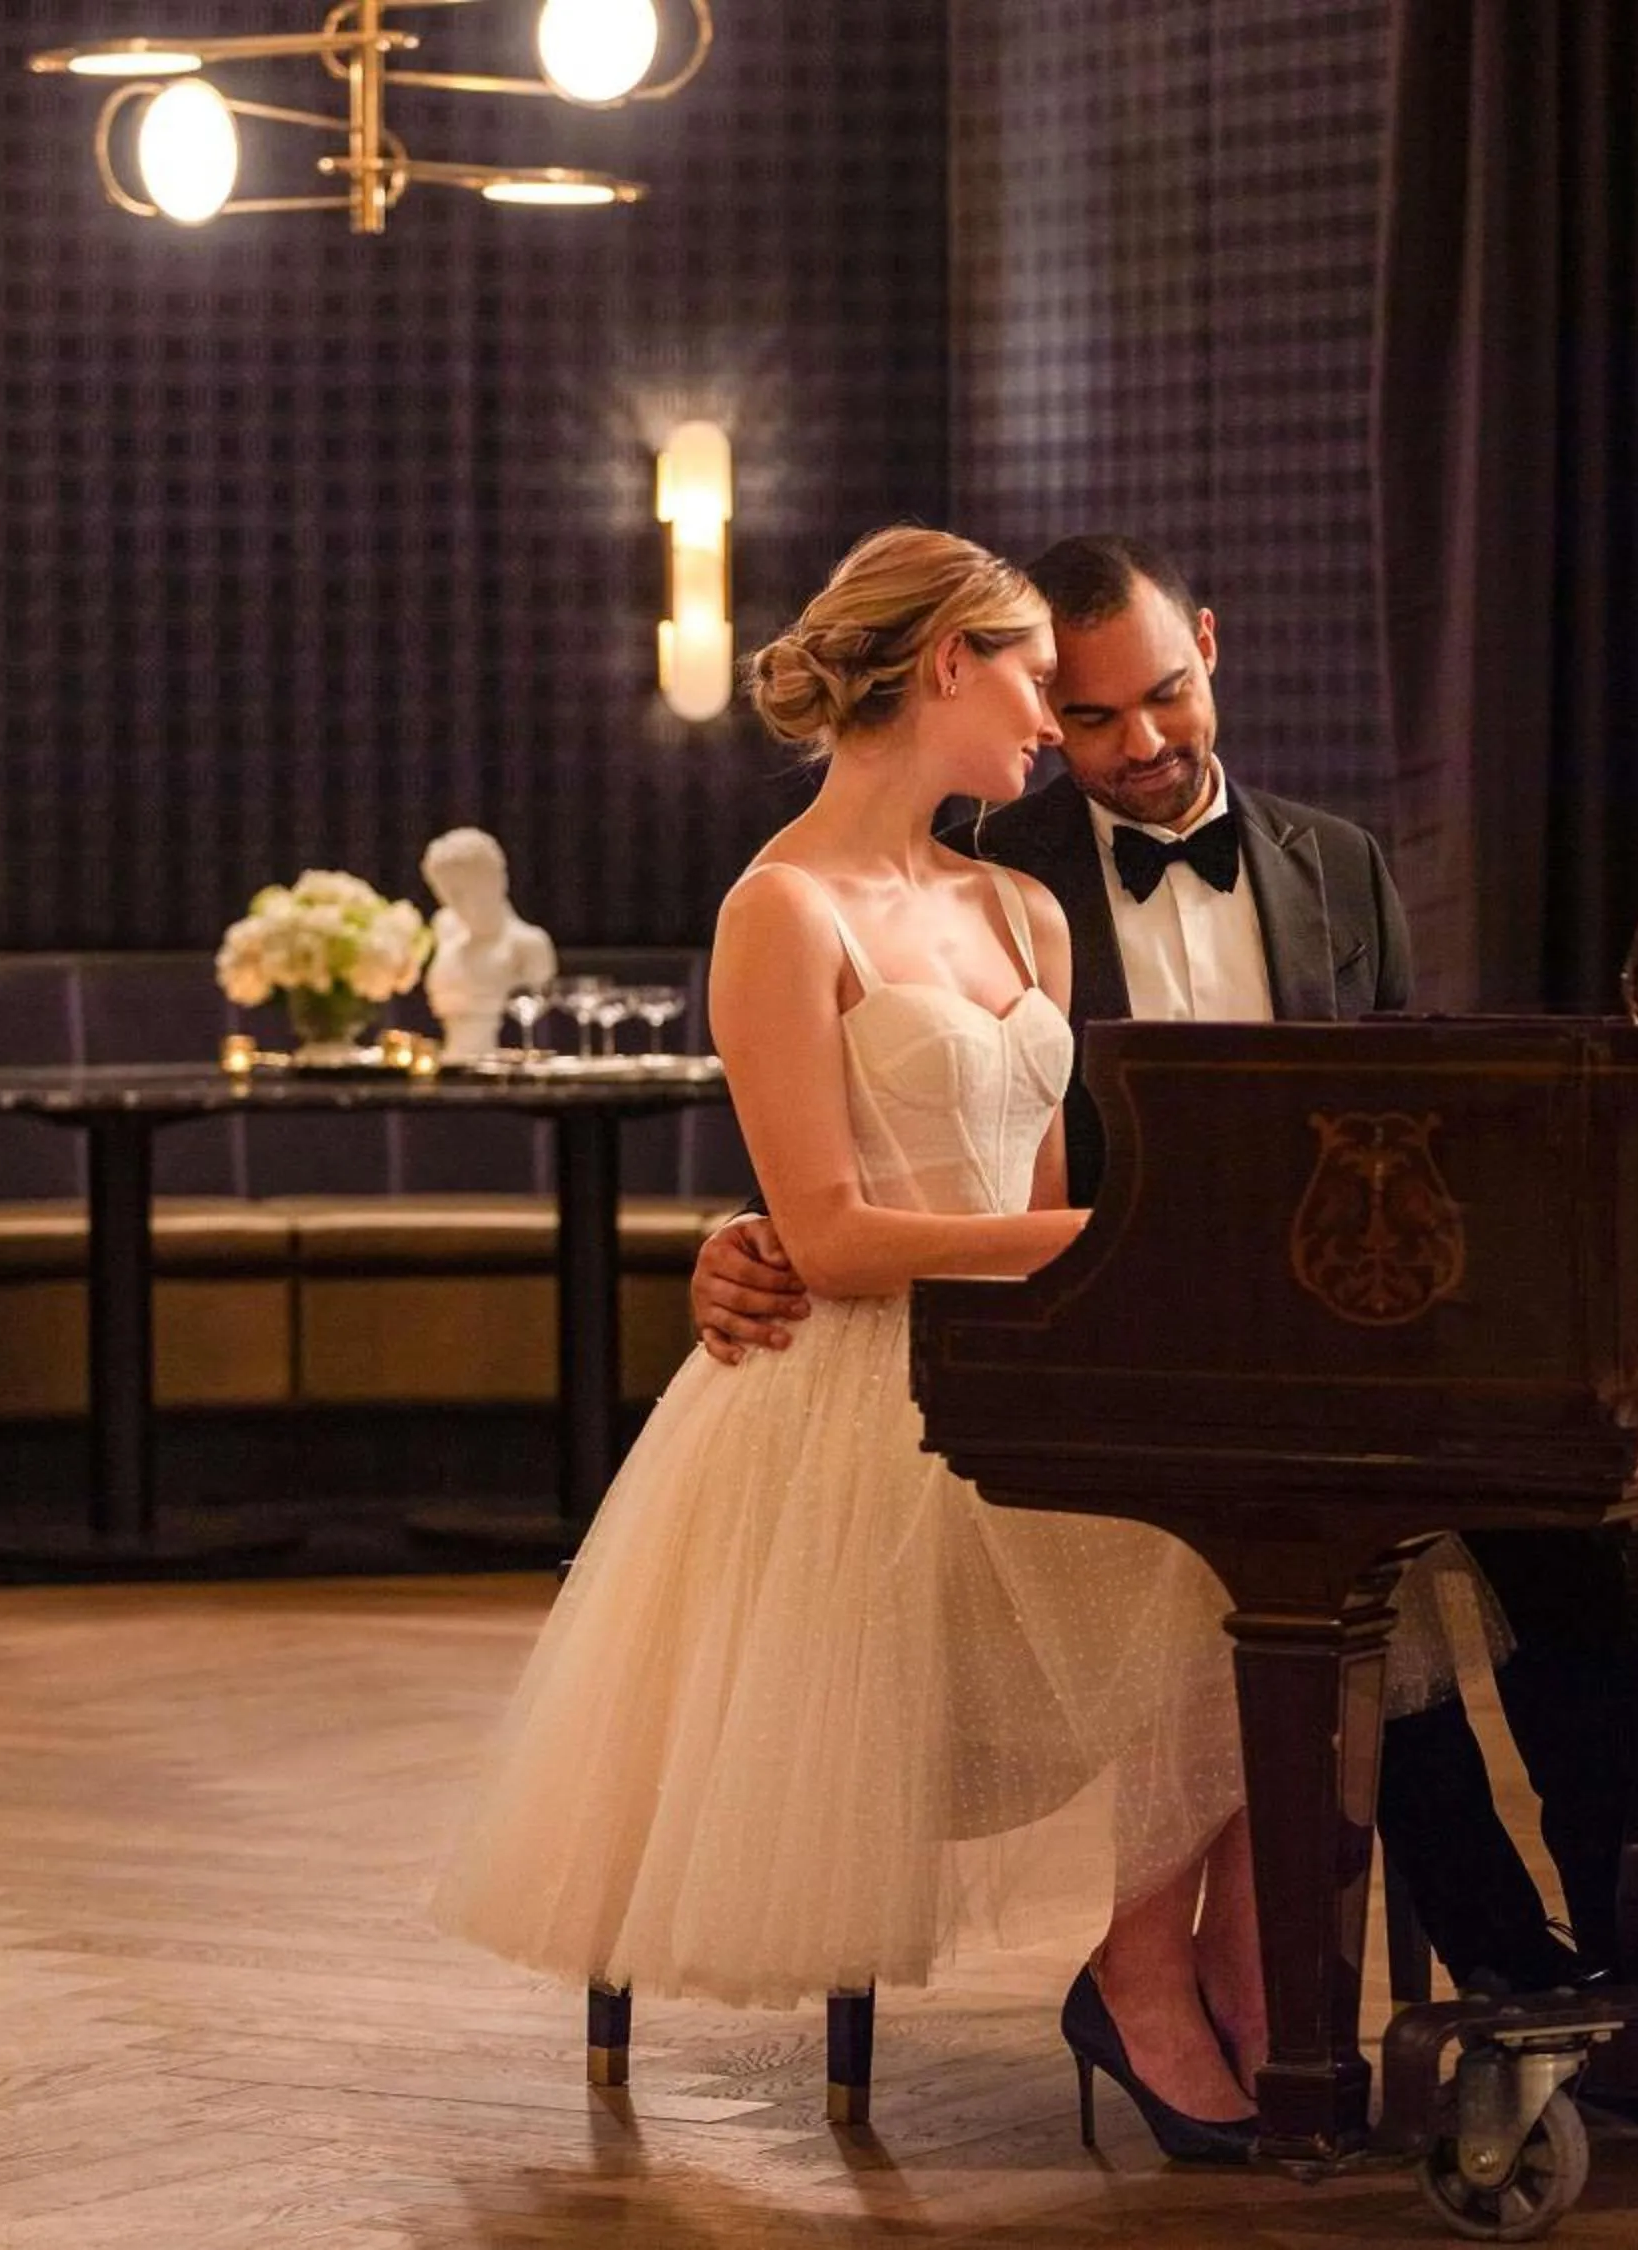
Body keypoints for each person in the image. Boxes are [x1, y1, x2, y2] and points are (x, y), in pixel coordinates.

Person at [693, 533, 1638, 2134]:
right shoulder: (981, 847)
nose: (1137, 742)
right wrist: (739, 1236)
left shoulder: (1338, 866)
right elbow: (853, 1144)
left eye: (1165, 694)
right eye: (1085, 716)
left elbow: (1412, 1134)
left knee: (1587, 1564)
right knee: (1308, 1583)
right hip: (1127, 1367)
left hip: (1355, 1340)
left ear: (1213, 647)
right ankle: (1485, 1986)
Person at [432, 527, 1264, 2162]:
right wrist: (1139, 1250)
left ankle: (1163, 1969)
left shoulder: (1027, 909)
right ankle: (1157, 1994)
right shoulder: (780, 909)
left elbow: (1030, 1199)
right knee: (1192, 1580)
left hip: (1010, 1374)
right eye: (1035, 681)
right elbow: (825, 1238)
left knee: (1242, 1562)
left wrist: (1108, 1291)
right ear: (948, 663)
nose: (1053, 721)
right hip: (846, 1407)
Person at [419, 826, 557, 1061]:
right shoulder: (445, 927)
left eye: (462, 891)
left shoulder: (528, 944)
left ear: (497, 881)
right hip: (447, 1064)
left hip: (505, 1067)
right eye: (445, 894)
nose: (454, 903)